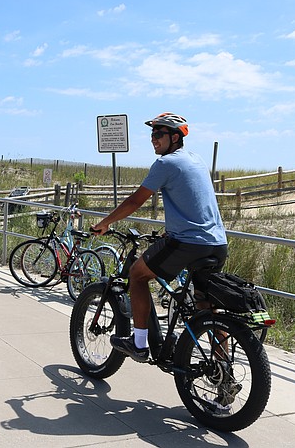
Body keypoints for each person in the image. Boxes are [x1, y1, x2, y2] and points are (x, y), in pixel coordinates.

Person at [91, 112, 228, 363]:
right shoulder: (195, 160)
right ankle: (222, 371)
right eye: (152, 134)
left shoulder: (166, 163)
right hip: (217, 243)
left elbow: (135, 200)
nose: (153, 139)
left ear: (174, 137)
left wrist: (105, 223)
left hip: (187, 243)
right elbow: (192, 200)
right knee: (206, 307)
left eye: (158, 134)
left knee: (137, 275)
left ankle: (139, 343)